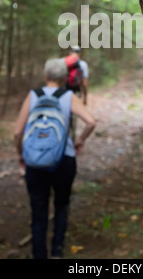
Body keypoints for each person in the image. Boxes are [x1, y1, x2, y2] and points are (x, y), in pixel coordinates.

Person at [14, 58, 96, 259]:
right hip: (64, 159)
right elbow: (91, 122)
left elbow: (17, 132)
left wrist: (22, 154)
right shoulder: (68, 96)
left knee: (38, 210)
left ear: (45, 76)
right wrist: (79, 140)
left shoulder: (33, 95)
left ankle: (38, 254)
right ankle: (57, 251)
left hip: (34, 162)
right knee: (62, 204)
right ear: (63, 79)